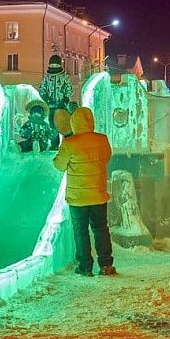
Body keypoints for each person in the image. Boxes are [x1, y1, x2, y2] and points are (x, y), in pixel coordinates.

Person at [53, 107, 115, 276]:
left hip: (78, 198)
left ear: (73, 122)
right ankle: (106, 264)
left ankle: (85, 266)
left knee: (81, 231)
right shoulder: (102, 140)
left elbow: (59, 166)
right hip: (98, 195)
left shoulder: (69, 143)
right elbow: (107, 157)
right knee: (101, 229)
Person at [39, 54, 73, 149]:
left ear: (60, 65)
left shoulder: (64, 77)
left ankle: (68, 143)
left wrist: (65, 99)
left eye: (56, 65)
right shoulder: (47, 77)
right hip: (51, 107)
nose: (54, 67)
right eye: (52, 65)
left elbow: (69, 89)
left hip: (63, 106)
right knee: (53, 126)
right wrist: (47, 99)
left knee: (65, 124)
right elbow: (42, 89)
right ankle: (54, 145)